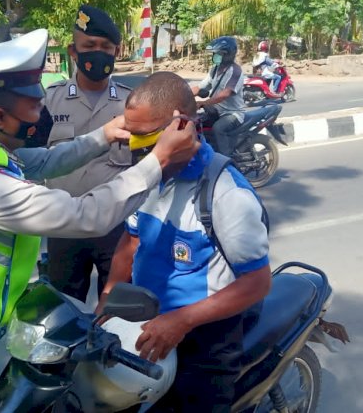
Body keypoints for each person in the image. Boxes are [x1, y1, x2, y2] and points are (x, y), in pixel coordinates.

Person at [0, 29, 199, 413]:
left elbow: (35, 163)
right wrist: (158, 162)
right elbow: (84, 216)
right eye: (34, 108)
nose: (42, 114)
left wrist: (102, 136)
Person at [97, 72, 272, 413]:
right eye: (131, 137)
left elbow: (257, 282)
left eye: (144, 138)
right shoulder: (148, 176)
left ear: (183, 125)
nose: (137, 149)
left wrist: (182, 321)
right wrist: (107, 298)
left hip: (205, 342)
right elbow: (130, 243)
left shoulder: (225, 192)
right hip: (147, 328)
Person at [32, 5, 133, 303]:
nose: (98, 53)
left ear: (117, 51)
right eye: (89, 46)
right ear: (73, 51)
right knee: (62, 306)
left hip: (117, 227)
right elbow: (32, 161)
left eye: (106, 47)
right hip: (65, 224)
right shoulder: (49, 102)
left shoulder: (132, 103)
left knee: (117, 308)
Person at [190, 36, 247, 158]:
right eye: (215, 53)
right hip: (216, 111)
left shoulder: (235, 71)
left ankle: (226, 161)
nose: (215, 56)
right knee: (196, 123)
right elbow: (200, 87)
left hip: (232, 113)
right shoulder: (215, 70)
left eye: (218, 53)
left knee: (218, 129)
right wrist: (183, 94)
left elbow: (225, 94)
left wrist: (204, 103)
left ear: (227, 54)